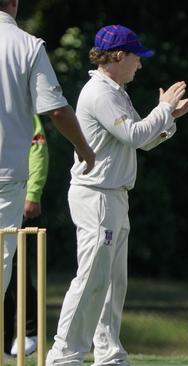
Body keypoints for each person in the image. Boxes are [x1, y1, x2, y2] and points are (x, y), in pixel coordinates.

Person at [45, 24, 188, 366]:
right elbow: (132, 135)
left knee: (113, 282)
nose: (139, 65)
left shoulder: (115, 91)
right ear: (118, 56)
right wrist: (163, 108)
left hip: (114, 195)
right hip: (96, 195)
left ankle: (109, 352)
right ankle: (63, 355)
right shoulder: (99, 92)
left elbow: (143, 140)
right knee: (91, 278)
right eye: (136, 57)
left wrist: (169, 117)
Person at [0, 0, 95, 305]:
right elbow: (55, 110)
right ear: (14, 3)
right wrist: (83, 147)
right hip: (6, 174)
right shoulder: (27, 46)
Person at [3, 115, 48, 357]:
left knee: (15, 270)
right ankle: (4, 344)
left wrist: (33, 192)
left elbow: (38, 150)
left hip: (19, 200)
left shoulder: (22, 110)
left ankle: (30, 333)